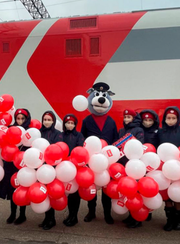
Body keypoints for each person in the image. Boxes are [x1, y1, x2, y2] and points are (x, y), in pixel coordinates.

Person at [81, 83, 119, 225]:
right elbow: (83, 139)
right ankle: (91, 212)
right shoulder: (87, 120)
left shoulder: (111, 121)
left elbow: (115, 140)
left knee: (106, 188)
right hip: (92, 160)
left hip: (108, 161)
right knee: (92, 188)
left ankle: (107, 214)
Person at [158, 107, 180, 232]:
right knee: (166, 197)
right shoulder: (161, 132)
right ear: (165, 119)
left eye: (173, 118)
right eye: (168, 118)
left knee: (176, 196)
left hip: (178, 168)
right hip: (163, 168)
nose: (170, 120)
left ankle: (178, 222)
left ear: (178, 119)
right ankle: (169, 221)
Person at [0, 108, 31, 225]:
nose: (20, 121)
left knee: (22, 189)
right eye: (18, 118)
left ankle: (22, 214)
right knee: (12, 189)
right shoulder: (11, 130)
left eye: (22, 119)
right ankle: (12, 214)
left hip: (23, 165)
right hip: (11, 165)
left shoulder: (30, 133)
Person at [118, 109, 144, 228]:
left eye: (129, 117)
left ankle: (137, 217)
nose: (127, 119)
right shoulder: (122, 130)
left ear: (134, 118)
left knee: (136, 192)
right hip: (124, 164)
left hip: (134, 165)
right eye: (125, 117)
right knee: (128, 191)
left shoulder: (139, 130)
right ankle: (130, 215)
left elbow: (139, 145)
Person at [60, 114, 84, 227]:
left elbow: (80, 150)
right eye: (68, 123)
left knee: (75, 194)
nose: (70, 125)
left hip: (75, 168)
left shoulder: (79, 135)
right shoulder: (61, 135)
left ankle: (74, 217)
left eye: (72, 123)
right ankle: (70, 214)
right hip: (64, 168)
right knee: (68, 193)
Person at [39, 111, 61, 230]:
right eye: (45, 119)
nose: (47, 122)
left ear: (53, 121)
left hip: (51, 167)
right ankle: (46, 217)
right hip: (40, 167)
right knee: (43, 192)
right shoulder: (39, 132)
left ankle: (51, 219)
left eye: (49, 120)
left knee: (51, 193)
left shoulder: (57, 134)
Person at [139, 109, 160, 222]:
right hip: (139, 163)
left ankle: (149, 211)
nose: (147, 122)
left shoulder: (158, 132)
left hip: (152, 164)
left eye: (150, 120)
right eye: (145, 120)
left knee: (149, 187)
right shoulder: (138, 130)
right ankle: (139, 209)